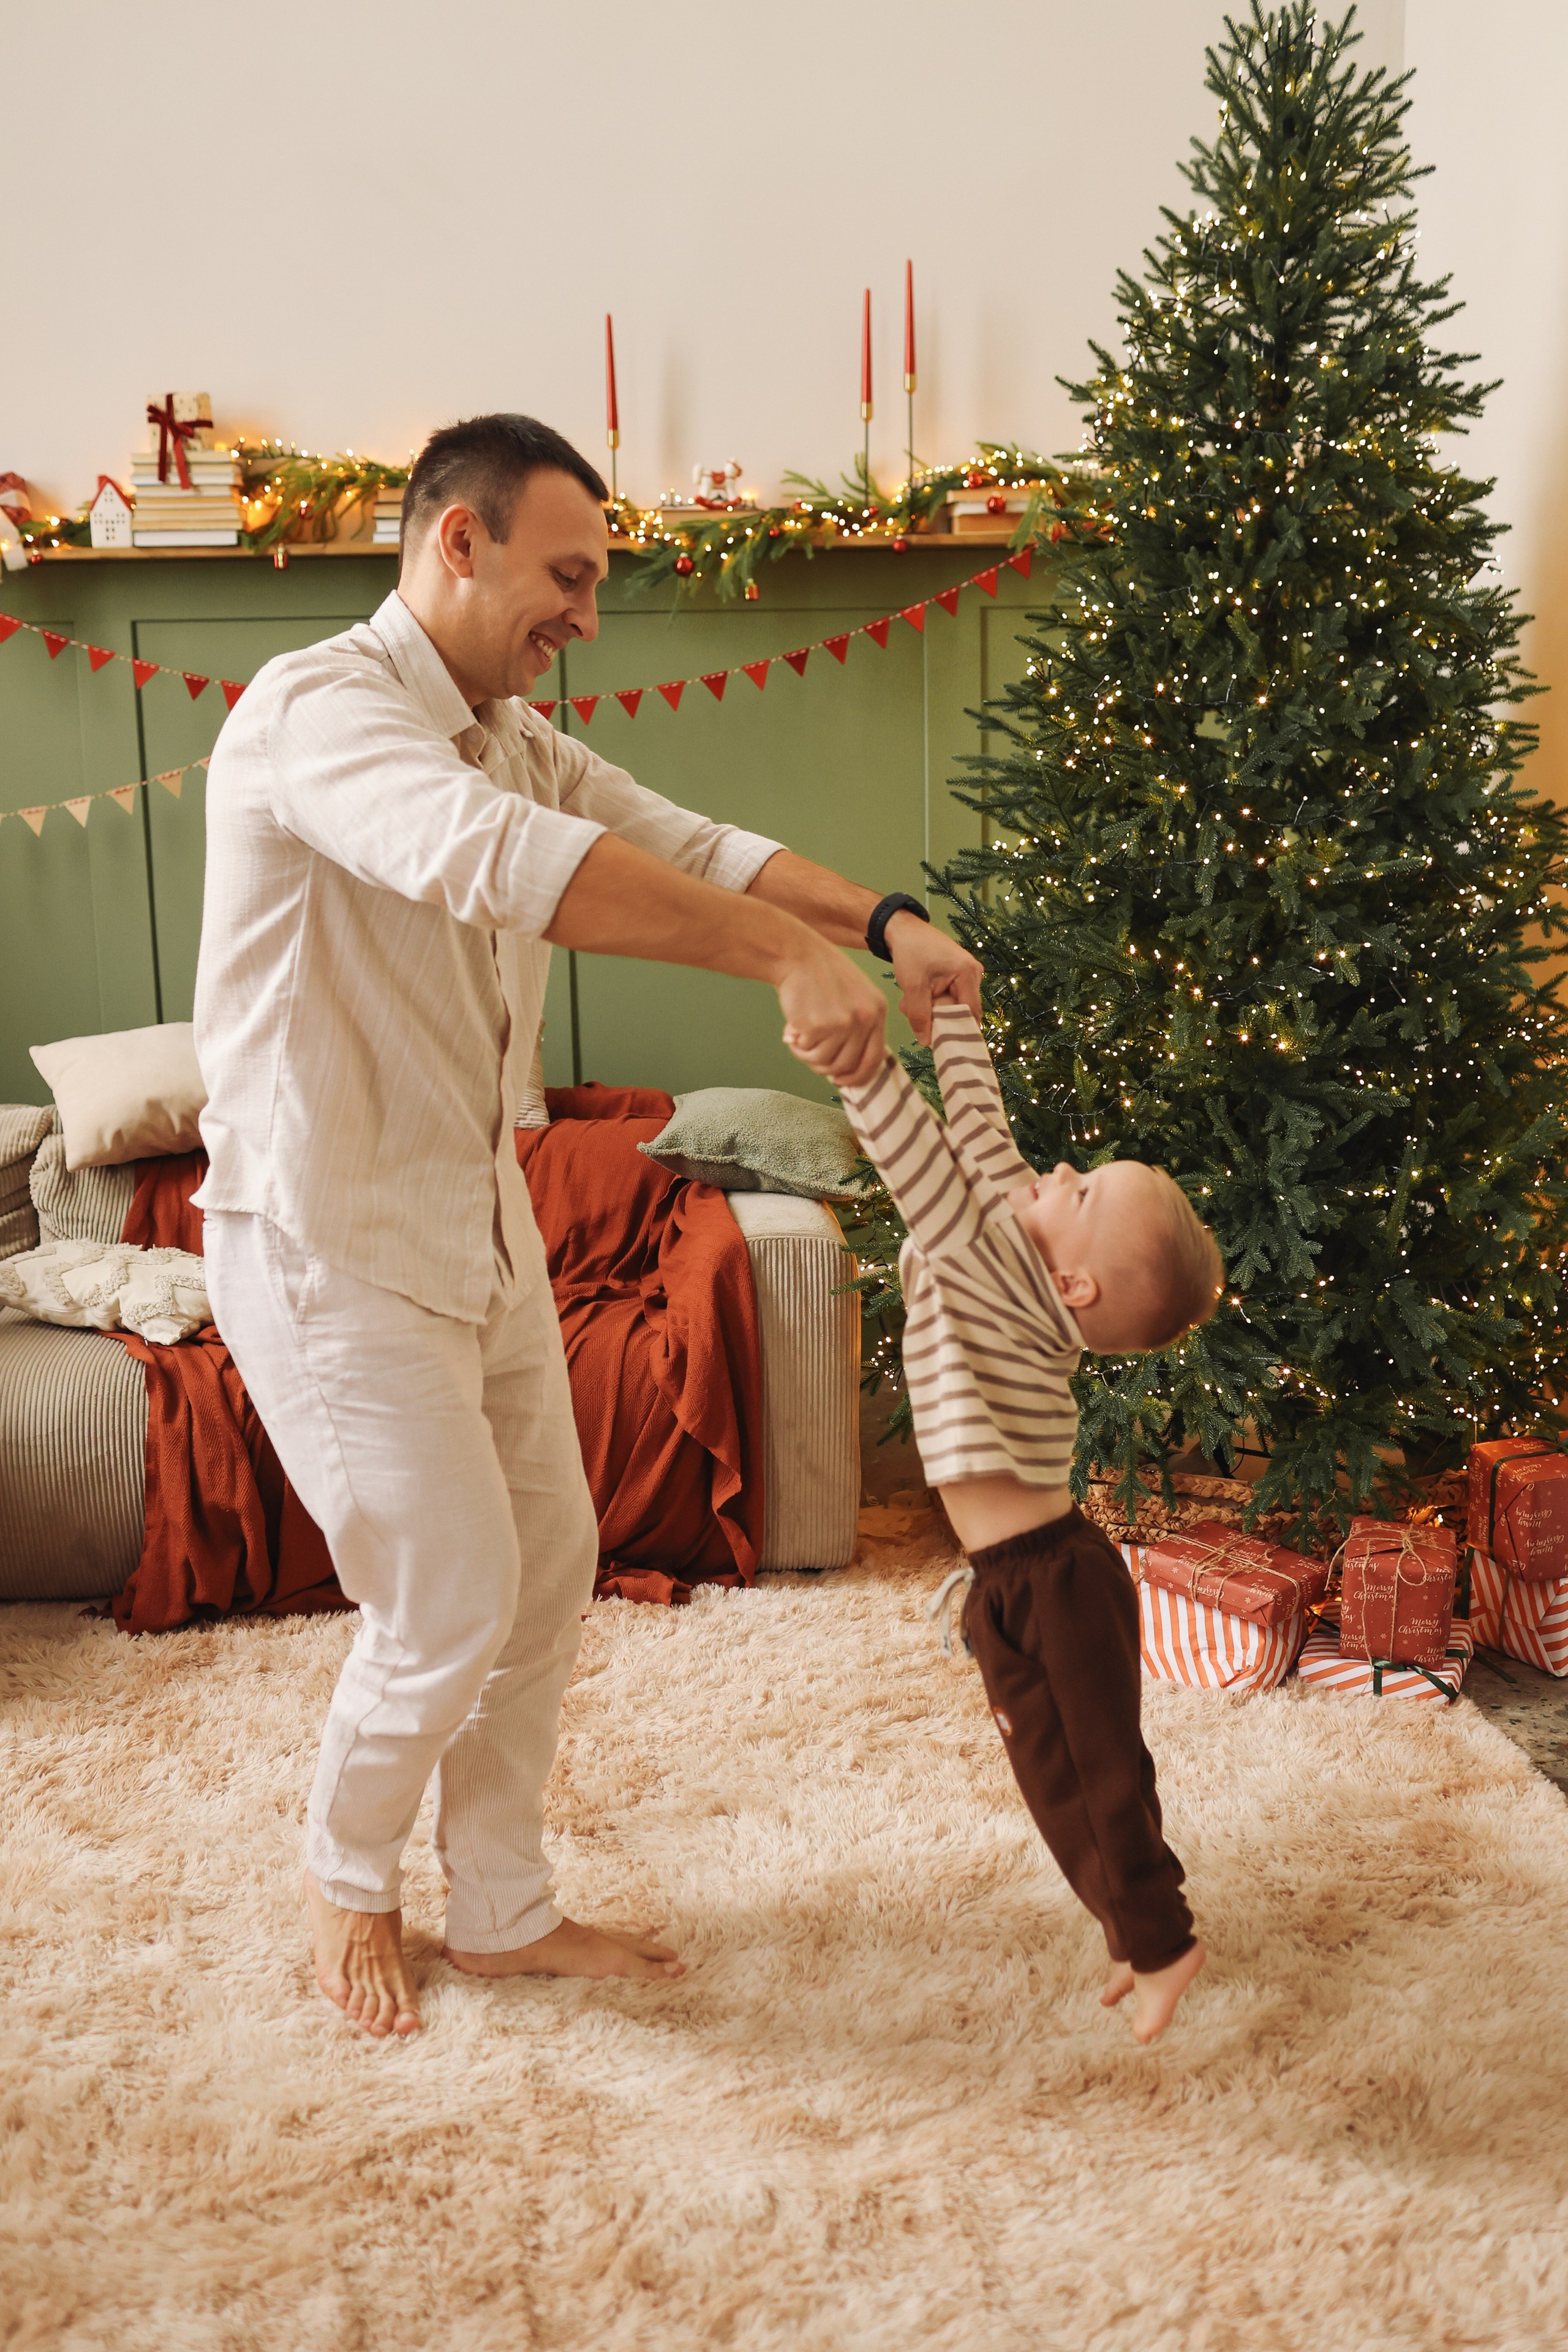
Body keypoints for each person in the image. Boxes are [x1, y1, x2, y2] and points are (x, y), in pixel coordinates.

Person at [192, 412, 982, 2038]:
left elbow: (690, 842)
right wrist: (776, 963)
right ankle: (349, 1891)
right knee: (447, 1593)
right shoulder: (317, 716)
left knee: (547, 1571)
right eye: (566, 575)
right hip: (323, 1238)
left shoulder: (510, 732)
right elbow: (495, 867)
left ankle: (498, 1911)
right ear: (455, 543)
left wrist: (881, 921)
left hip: (469, 1224)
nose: (587, 616)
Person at [816, 993, 1223, 2044]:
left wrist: (864, 1069)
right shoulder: (1018, 1245)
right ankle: (1135, 1922)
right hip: (1018, 1583)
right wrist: (950, 1017)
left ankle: (1163, 1940)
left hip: (1052, 1581)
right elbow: (983, 1133)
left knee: (1093, 1768)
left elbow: (924, 1164)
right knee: (1060, 1778)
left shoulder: (998, 1269)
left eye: (1079, 1189)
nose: (1058, 1171)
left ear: (1074, 1281)